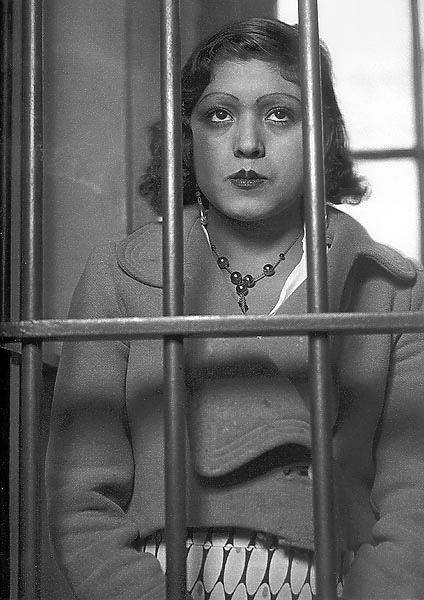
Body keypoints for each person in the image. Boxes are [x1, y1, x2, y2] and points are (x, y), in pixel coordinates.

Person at [46, 17, 424, 600]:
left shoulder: (391, 288)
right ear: (187, 134)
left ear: (320, 133)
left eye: (280, 114)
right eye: (220, 115)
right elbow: (81, 503)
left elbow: (414, 505)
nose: (248, 143)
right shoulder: (118, 277)